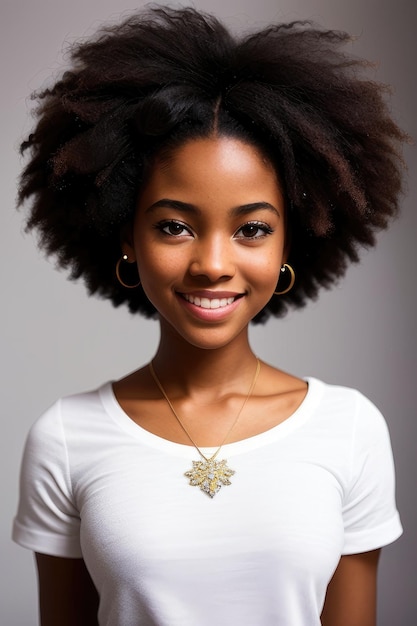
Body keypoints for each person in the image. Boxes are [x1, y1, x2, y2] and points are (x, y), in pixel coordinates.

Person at [12, 6, 407, 626]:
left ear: (289, 245)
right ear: (126, 238)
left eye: (252, 229)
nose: (213, 264)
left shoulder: (350, 430)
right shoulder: (65, 440)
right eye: (175, 226)